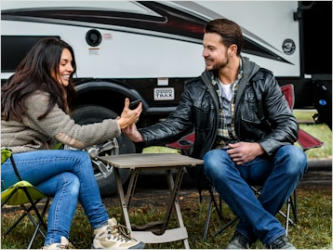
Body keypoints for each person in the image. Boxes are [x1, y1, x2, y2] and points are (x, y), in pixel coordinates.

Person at [124, 18, 307, 249]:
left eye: (211, 48)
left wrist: (258, 148)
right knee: (212, 159)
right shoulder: (197, 88)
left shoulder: (263, 80)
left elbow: (289, 125)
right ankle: (274, 236)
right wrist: (140, 136)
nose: (204, 53)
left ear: (232, 50)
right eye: (204, 47)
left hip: (262, 160)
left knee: (296, 157)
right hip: (224, 167)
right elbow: (177, 124)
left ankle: (245, 235)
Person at [1, 37, 145, 249]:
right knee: (79, 159)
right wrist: (117, 124)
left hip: (20, 169)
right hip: (6, 167)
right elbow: (75, 137)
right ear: (46, 63)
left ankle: (55, 242)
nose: (70, 68)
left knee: (69, 180)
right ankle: (102, 229)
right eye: (63, 63)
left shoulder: (40, 92)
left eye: (71, 63)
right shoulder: (35, 97)